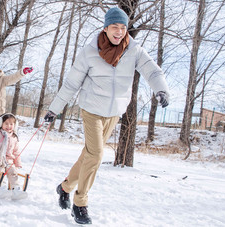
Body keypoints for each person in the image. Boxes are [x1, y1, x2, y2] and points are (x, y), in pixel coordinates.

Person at [44, 7, 170, 225]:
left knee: (89, 155)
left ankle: (64, 187)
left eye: (123, 28)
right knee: (96, 154)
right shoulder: (89, 52)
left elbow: (152, 71)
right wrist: (54, 109)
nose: (119, 32)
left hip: (113, 112)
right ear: (106, 28)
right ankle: (80, 203)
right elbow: (72, 83)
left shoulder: (134, 50)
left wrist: (161, 89)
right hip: (91, 109)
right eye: (115, 27)